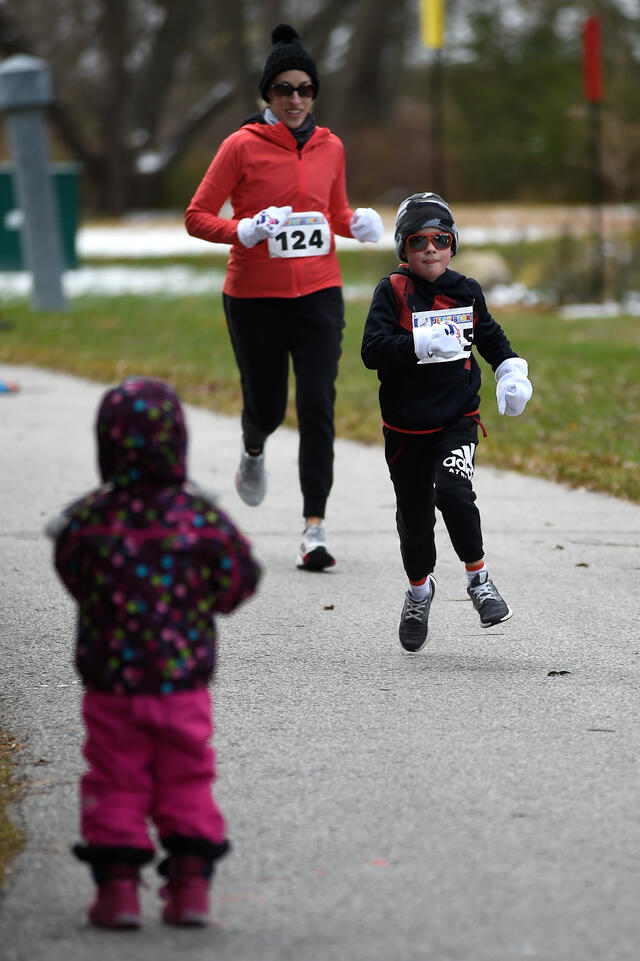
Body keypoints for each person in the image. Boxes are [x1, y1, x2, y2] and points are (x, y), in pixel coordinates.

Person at [46, 376, 260, 929]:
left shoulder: (91, 519)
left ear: (106, 446)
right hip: (182, 685)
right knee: (186, 778)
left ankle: (117, 892)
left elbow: (71, 570)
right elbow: (240, 576)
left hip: (112, 687)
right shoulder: (199, 520)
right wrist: (207, 602)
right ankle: (189, 889)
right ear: (178, 443)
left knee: (115, 778)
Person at [185, 22, 384, 571]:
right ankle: (253, 447)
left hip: (319, 292)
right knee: (269, 406)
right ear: (267, 95)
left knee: (318, 402)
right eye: (284, 90)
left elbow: (333, 214)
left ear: (314, 93)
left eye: (305, 89)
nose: (295, 100)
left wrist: (359, 224)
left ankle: (313, 529)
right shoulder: (240, 146)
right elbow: (196, 216)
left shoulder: (331, 146)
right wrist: (242, 230)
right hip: (254, 296)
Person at [361, 192, 533, 653]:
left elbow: (492, 339)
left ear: (453, 244)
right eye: (418, 241)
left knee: (454, 492)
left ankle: (479, 582)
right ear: (403, 249)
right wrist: (417, 344)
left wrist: (511, 372)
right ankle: (419, 592)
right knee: (415, 522)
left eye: (440, 239)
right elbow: (371, 352)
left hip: (456, 418)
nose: (430, 249)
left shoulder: (465, 290)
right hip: (404, 427)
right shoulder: (391, 291)